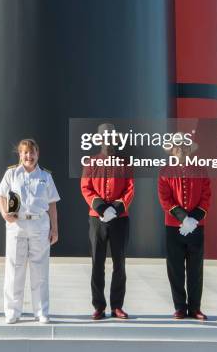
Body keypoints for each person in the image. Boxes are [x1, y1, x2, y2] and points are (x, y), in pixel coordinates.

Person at [0, 138, 60, 324]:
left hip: (40, 224)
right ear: (20, 154)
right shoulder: (11, 174)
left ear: (37, 154)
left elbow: (52, 204)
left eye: (32, 152)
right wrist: (4, 214)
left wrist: (55, 229)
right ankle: (12, 312)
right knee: (14, 270)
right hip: (17, 225)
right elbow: (0, 196)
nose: (28, 156)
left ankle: (41, 311)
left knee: (40, 271)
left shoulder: (46, 176)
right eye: (25, 152)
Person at [80, 123, 134, 320]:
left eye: (112, 137)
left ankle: (117, 305)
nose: (108, 140)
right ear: (100, 139)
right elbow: (86, 188)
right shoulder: (91, 162)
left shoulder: (125, 162)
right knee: (97, 263)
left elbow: (130, 188)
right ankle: (99, 306)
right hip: (97, 219)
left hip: (120, 219)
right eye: (105, 137)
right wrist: (102, 208)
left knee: (119, 263)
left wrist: (116, 208)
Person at [157, 142, 210, 320]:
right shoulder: (165, 171)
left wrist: (193, 219)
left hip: (196, 226)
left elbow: (206, 195)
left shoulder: (200, 170)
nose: (181, 150)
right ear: (172, 151)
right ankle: (180, 307)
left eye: (185, 147)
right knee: (175, 268)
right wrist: (183, 218)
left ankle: (195, 308)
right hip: (174, 227)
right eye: (177, 147)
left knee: (196, 268)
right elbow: (165, 198)